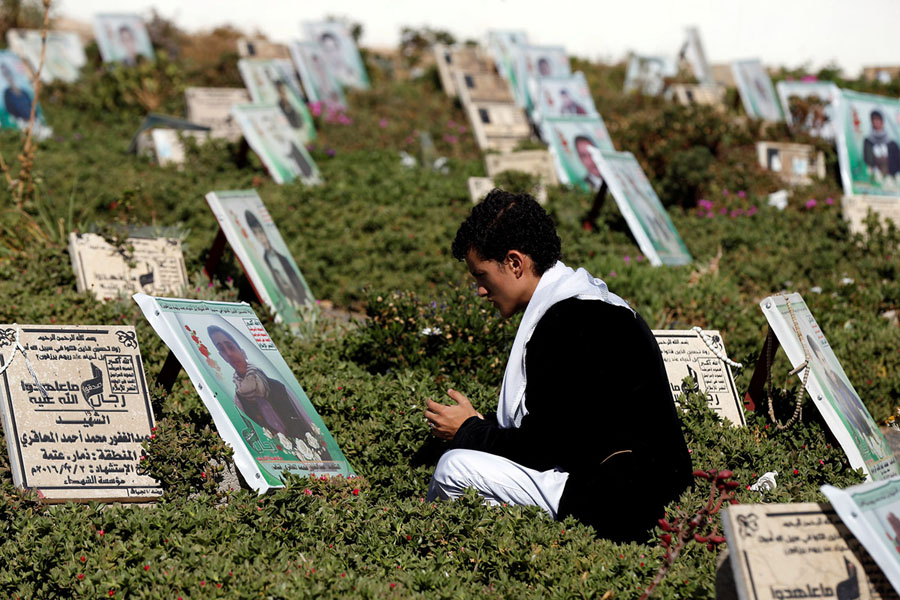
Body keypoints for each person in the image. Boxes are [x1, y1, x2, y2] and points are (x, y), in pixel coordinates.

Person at [424, 190, 693, 542]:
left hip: (621, 501)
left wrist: (469, 430)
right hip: (646, 489)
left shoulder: (568, 323)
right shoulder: (590, 303)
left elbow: (541, 449)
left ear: (515, 263)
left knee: (454, 469)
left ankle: (434, 544)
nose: (480, 291)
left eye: (482, 276)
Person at [207, 324, 331, 461]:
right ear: (222, 357)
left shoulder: (278, 387)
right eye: (222, 350)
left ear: (242, 352)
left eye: (230, 347)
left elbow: (309, 423)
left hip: (310, 457)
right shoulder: (239, 400)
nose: (229, 353)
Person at [244, 210, 310, 309]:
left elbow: (294, 277)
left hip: (301, 298)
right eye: (255, 234)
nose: (260, 237)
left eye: (260, 232)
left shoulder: (281, 255)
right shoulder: (264, 260)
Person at [863, 109, 900, 177]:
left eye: (878, 119)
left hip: (892, 178)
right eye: (874, 120)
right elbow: (867, 161)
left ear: (882, 121)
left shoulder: (892, 144)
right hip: (875, 177)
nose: (876, 122)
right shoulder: (868, 142)